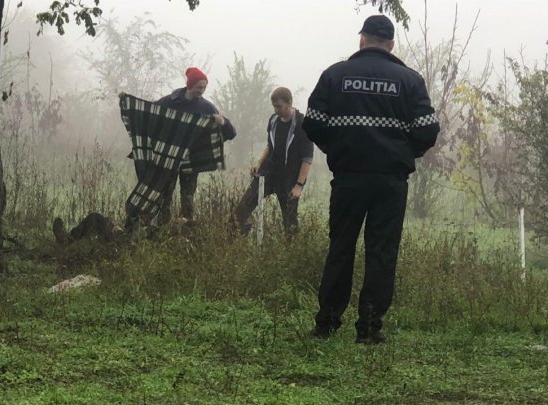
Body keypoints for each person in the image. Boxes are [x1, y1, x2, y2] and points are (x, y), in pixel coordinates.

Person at [302, 15, 440, 344]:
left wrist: (339, 148)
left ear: (361, 40)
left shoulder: (335, 75)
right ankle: (368, 328)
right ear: (391, 44)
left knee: (341, 248)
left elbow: (314, 123)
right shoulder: (409, 80)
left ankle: (327, 323)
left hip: (348, 177)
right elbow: (427, 129)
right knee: (381, 253)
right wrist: (403, 154)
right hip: (390, 182)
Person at [155, 67, 236, 224]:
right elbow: (150, 112)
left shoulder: (206, 107)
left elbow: (230, 133)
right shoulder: (171, 101)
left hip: (192, 160)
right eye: (199, 87)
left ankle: (187, 227)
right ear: (190, 85)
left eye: (204, 87)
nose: (202, 90)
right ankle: (161, 228)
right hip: (170, 157)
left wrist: (223, 122)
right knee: (165, 195)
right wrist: (127, 100)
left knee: (187, 196)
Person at [234, 87, 313, 234]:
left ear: (289, 102)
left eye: (279, 106)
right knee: (241, 209)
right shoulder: (274, 120)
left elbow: (307, 158)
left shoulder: (303, 124)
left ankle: (291, 252)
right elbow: (270, 145)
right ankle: (243, 232)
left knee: (290, 223)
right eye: (274, 106)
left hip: (289, 178)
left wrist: (299, 186)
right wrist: (259, 162)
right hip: (268, 173)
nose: (276, 110)